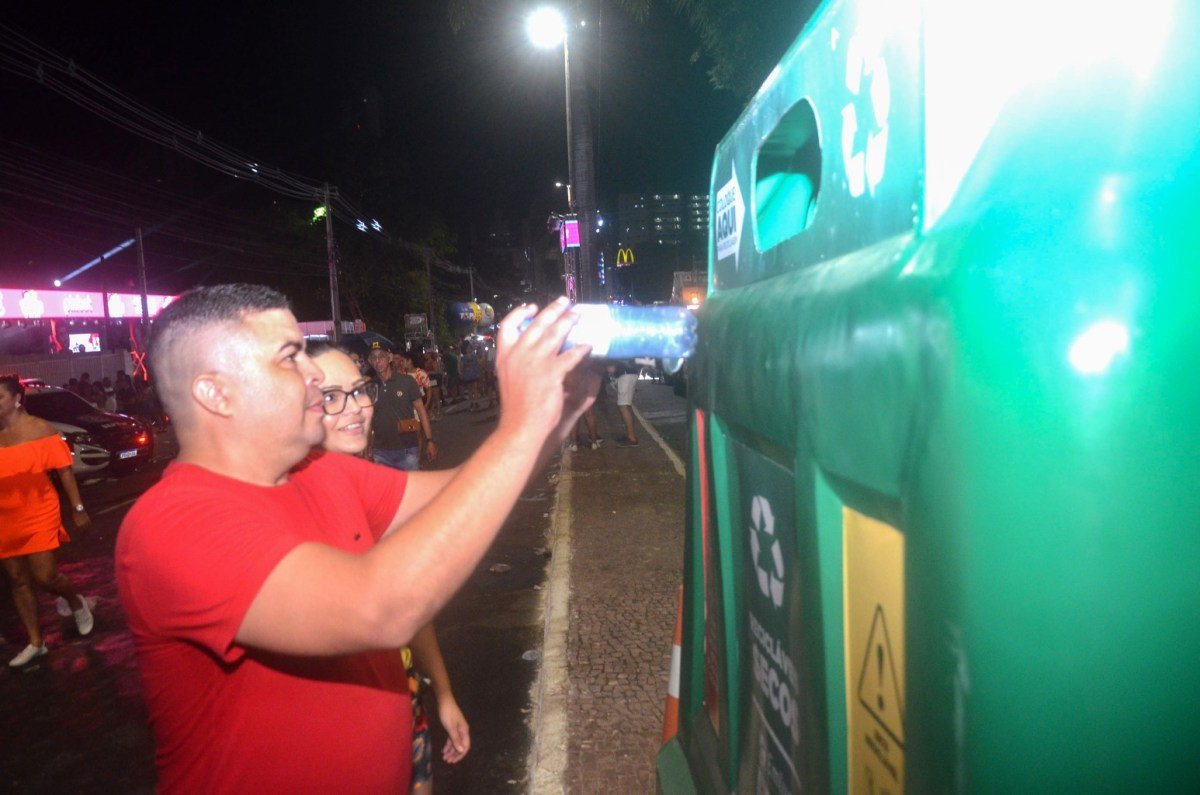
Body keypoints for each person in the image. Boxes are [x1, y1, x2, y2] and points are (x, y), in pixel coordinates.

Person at [115, 284, 596, 792]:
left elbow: (469, 490)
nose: (314, 373)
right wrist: (519, 428)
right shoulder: (171, 525)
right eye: (290, 357)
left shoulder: (320, 471)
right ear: (216, 392)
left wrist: (556, 415)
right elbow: (379, 608)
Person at [309, 342, 470, 793]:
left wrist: (443, 692)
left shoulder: (363, 486)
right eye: (330, 397)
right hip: (337, 739)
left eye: (359, 390)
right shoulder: (287, 500)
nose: (355, 407)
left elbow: (409, 607)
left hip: (402, 703)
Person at [0, 373, 96, 668]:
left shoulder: (40, 429)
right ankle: (36, 642)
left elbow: (64, 470)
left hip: (39, 511)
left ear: (17, 399)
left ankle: (76, 602)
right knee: (18, 580)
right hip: (5, 516)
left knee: (46, 577)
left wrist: (78, 508)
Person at [369, 341, 436, 471]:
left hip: (407, 448)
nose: (377, 361)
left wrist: (430, 441)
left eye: (381, 356)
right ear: (369, 361)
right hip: (380, 451)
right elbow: (367, 420)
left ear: (390, 357)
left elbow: (421, 411)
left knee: (410, 483)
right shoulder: (370, 386)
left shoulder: (407, 381)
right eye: (374, 357)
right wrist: (367, 451)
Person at [612, 360, 640, 446]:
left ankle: (631, 437)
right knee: (627, 405)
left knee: (623, 406)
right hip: (630, 373)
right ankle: (630, 434)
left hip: (625, 374)